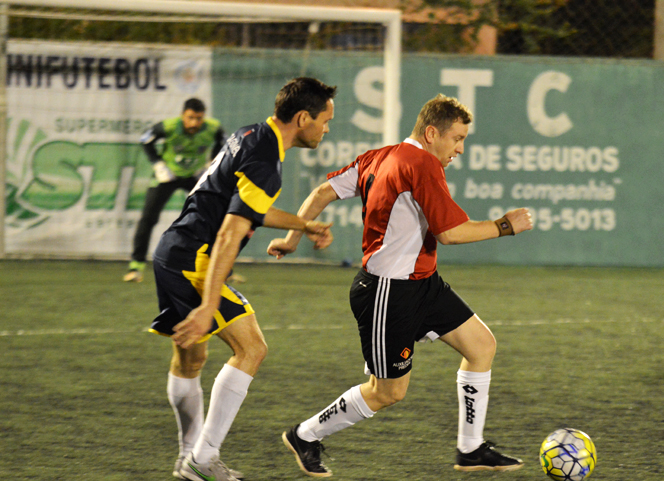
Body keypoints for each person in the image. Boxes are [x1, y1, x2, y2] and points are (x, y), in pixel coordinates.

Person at [267, 94, 533, 477]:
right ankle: (305, 435)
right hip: (387, 293)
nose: (460, 149)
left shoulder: (379, 156)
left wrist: (294, 238)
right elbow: (450, 233)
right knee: (387, 392)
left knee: (481, 346)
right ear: (430, 132)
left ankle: (470, 448)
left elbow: (324, 191)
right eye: (457, 139)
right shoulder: (421, 164)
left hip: (422, 284)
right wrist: (503, 226)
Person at [149, 77, 337, 481]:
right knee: (251, 349)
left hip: (173, 251)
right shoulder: (266, 159)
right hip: (195, 257)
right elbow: (230, 233)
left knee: (191, 357)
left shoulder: (251, 134)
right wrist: (207, 305)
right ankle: (202, 460)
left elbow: (247, 210)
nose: (326, 129)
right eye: (325, 120)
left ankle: (190, 457)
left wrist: (303, 225)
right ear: (303, 118)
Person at [124, 97, 226, 283]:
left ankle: (223, 270)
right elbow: (145, 139)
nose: (194, 122)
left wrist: (211, 163)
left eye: (199, 118)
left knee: (213, 218)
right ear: (182, 116)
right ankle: (136, 266)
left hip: (195, 177)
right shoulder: (168, 127)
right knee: (148, 218)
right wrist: (158, 164)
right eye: (190, 117)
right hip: (167, 176)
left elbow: (222, 143)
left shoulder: (213, 128)